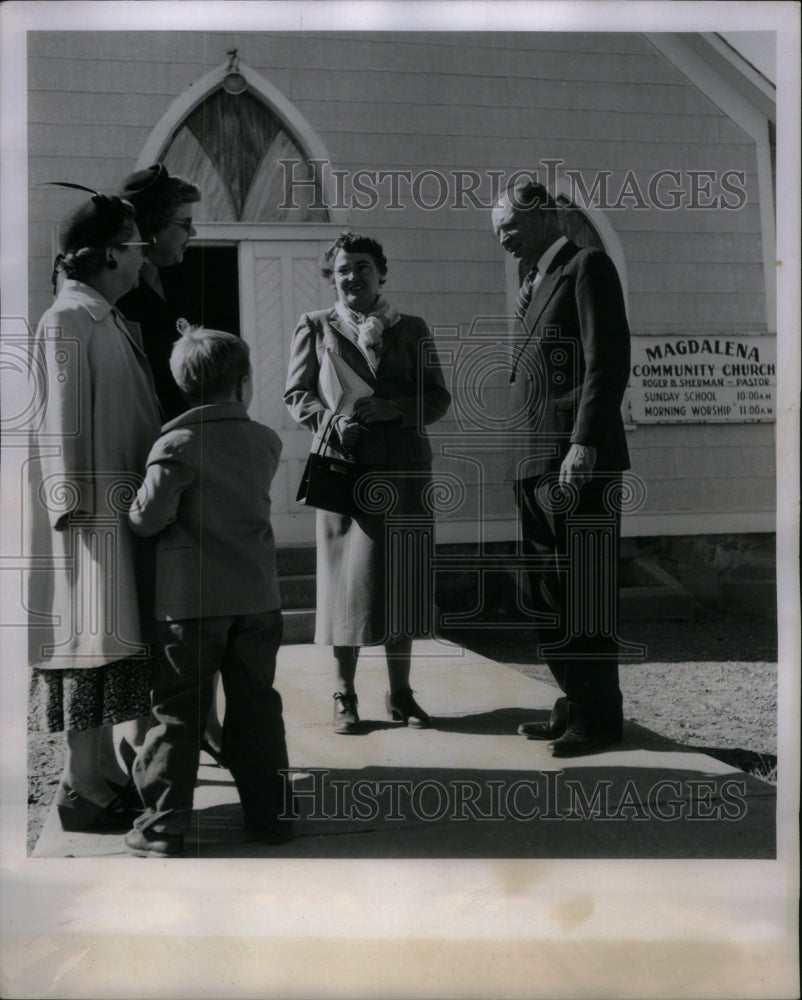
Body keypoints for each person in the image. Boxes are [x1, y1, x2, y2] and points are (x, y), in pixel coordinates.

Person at [125, 326, 289, 857]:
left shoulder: (175, 445)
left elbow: (148, 520)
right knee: (257, 708)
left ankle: (163, 827)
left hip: (191, 605)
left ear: (181, 386)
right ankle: (271, 816)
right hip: (258, 598)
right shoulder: (266, 440)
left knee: (178, 713)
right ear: (243, 384)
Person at [27, 191, 161, 831]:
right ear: (109, 253)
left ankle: (104, 772)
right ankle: (79, 786)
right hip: (87, 522)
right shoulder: (67, 319)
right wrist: (68, 510)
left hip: (119, 513)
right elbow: (57, 421)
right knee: (88, 645)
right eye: (135, 247)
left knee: (113, 646)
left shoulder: (105, 316)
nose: (143, 258)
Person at [284, 231, 451, 734]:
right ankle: (344, 695)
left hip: (402, 470)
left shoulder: (413, 328)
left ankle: (401, 694)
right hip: (345, 470)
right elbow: (296, 395)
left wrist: (396, 410)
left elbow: (437, 398)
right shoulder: (315, 326)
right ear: (331, 278)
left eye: (362, 267)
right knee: (344, 584)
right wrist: (332, 423)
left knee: (402, 578)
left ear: (381, 273)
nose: (352, 276)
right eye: (342, 269)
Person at [491, 178, 631, 757]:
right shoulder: (535, 282)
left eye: (511, 227)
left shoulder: (586, 265)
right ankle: (572, 701)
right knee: (545, 592)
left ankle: (599, 718)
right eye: (498, 233)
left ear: (546, 214)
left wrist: (584, 442)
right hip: (533, 459)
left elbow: (607, 358)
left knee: (584, 588)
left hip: (575, 460)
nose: (504, 240)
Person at [116, 163, 227, 764]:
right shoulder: (126, 297)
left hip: (182, 458)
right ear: (151, 231)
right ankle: (146, 741)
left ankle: (202, 723)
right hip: (149, 465)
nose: (190, 235)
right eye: (183, 224)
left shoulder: (172, 287)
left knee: (195, 605)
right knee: (158, 611)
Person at [116, 163, 200, 422]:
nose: (193, 232)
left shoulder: (182, 279)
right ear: (153, 226)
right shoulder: (118, 292)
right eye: (186, 223)